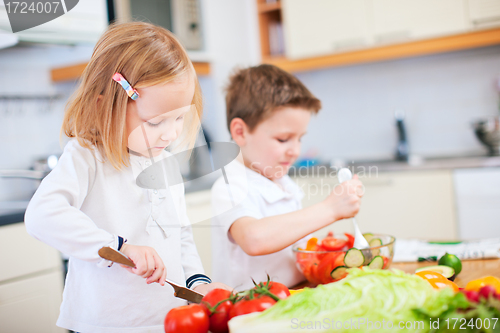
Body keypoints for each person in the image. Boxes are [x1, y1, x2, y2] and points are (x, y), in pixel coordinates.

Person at [25, 22, 229, 333]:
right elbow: (42, 215)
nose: (172, 133)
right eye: (156, 121)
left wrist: (197, 282)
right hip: (105, 322)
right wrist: (118, 247)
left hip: (167, 318)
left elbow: (180, 234)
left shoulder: (164, 161)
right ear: (105, 105)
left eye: (179, 118)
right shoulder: (87, 157)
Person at [211, 65, 364, 291]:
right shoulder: (230, 184)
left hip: (294, 293)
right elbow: (254, 239)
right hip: (251, 308)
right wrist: (331, 209)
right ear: (241, 132)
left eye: (300, 138)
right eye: (284, 139)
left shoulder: (283, 182)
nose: (295, 150)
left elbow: (295, 246)